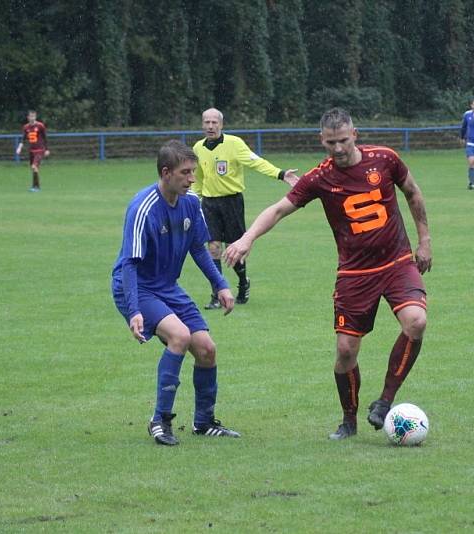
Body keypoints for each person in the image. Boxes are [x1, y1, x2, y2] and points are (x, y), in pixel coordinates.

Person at [224, 108, 433, 441]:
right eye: (330, 142)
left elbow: (413, 192)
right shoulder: (320, 177)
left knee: (417, 323)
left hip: (397, 263)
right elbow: (279, 209)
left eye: (343, 141)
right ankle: (348, 421)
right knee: (346, 351)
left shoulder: (385, 159)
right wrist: (247, 238)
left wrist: (424, 242)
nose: (337, 148)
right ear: (322, 139)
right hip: (354, 273)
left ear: (355, 135)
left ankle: (385, 401)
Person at [111, 140, 241, 446]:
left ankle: (204, 422)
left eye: (194, 171)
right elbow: (130, 264)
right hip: (137, 287)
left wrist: (219, 284)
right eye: (186, 172)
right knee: (180, 337)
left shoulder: (191, 202)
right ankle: (160, 421)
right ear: (166, 172)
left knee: (207, 348)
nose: (192, 178)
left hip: (167, 287)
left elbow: (198, 247)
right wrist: (133, 311)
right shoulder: (142, 208)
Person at [192, 108, 299, 310]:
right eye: (206, 122)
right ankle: (217, 293)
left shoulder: (234, 144)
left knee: (235, 248)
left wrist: (281, 173)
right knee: (213, 247)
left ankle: (243, 282)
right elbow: (198, 177)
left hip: (232, 202)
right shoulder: (198, 147)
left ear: (221, 125)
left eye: (214, 122)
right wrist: (193, 198)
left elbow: (256, 162)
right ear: (202, 124)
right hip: (209, 203)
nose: (210, 126)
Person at [15, 110, 50, 192]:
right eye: (31, 116)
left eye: (34, 116)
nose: (32, 118)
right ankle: (34, 186)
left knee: (34, 167)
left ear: (36, 117)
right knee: (34, 168)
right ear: (28, 117)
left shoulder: (40, 126)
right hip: (31, 151)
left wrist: (47, 149)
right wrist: (19, 148)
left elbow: (45, 138)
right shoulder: (26, 127)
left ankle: (37, 187)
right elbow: (23, 139)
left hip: (40, 150)